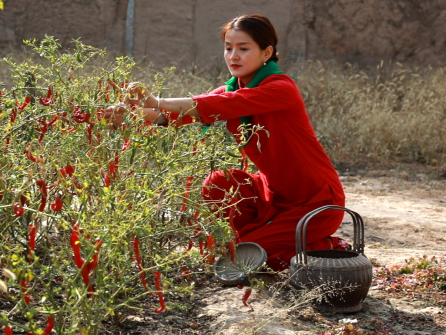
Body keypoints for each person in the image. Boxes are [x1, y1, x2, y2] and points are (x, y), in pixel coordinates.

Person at [107, 14, 347, 271]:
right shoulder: (233, 89)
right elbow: (181, 113)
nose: (233, 56)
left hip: (316, 202)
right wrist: (134, 117)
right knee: (219, 183)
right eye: (228, 48)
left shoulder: (280, 88)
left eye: (243, 49)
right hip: (272, 194)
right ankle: (268, 239)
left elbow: (214, 105)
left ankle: (325, 245)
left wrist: (155, 101)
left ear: (267, 52)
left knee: (242, 258)